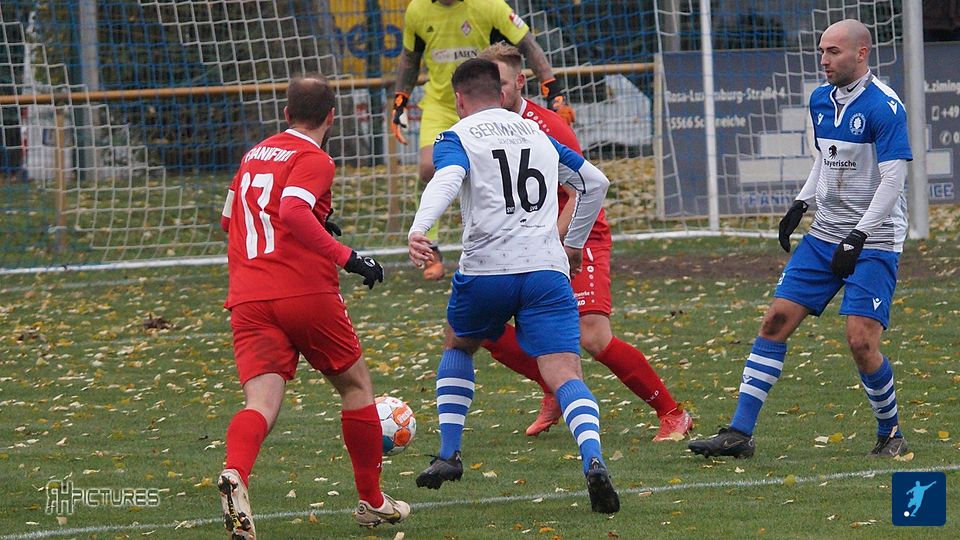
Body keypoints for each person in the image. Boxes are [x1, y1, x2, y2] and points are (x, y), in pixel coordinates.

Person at [688, 19, 912, 459]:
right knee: (775, 322)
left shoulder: (885, 107)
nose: (824, 60)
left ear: (861, 53)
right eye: (821, 51)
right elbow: (825, 159)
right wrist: (801, 203)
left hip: (874, 240)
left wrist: (859, 235)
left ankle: (891, 433)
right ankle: (740, 433)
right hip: (825, 233)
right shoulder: (820, 99)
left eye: (833, 52)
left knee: (861, 342)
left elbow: (893, 181)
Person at [407, 58, 619, 513]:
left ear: (459, 100)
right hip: (546, 271)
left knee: (458, 344)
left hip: (487, 270)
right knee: (565, 372)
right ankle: (593, 458)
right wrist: (574, 243)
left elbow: (447, 178)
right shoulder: (538, 134)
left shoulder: (456, 136)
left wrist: (420, 228)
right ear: (501, 94)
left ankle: (449, 454)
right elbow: (595, 182)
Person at [217, 74, 408, 536]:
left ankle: (235, 472)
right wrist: (350, 258)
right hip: (304, 292)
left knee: (261, 402)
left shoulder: (254, 154)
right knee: (356, 387)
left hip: (248, 295)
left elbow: (228, 220)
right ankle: (371, 501)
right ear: (331, 117)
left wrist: (317, 222)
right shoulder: (315, 158)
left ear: (286, 113)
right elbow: (291, 210)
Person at [477, 43, 693, 441]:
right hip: (531, 242)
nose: (493, 92)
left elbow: (582, 192)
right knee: (479, 324)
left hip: (578, 233)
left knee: (592, 335)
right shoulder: (483, 129)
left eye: (501, 83)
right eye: (487, 84)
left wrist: (558, 243)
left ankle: (672, 413)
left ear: (520, 82)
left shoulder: (548, 127)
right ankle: (554, 386)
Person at [392, 0, 573, 281]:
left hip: (485, 103)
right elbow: (409, 57)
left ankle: (509, 236)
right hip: (441, 104)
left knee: (495, 167)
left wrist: (552, 88)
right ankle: (431, 247)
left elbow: (527, 43)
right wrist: (400, 98)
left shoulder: (489, 6)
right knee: (428, 168)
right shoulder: (418, 9)